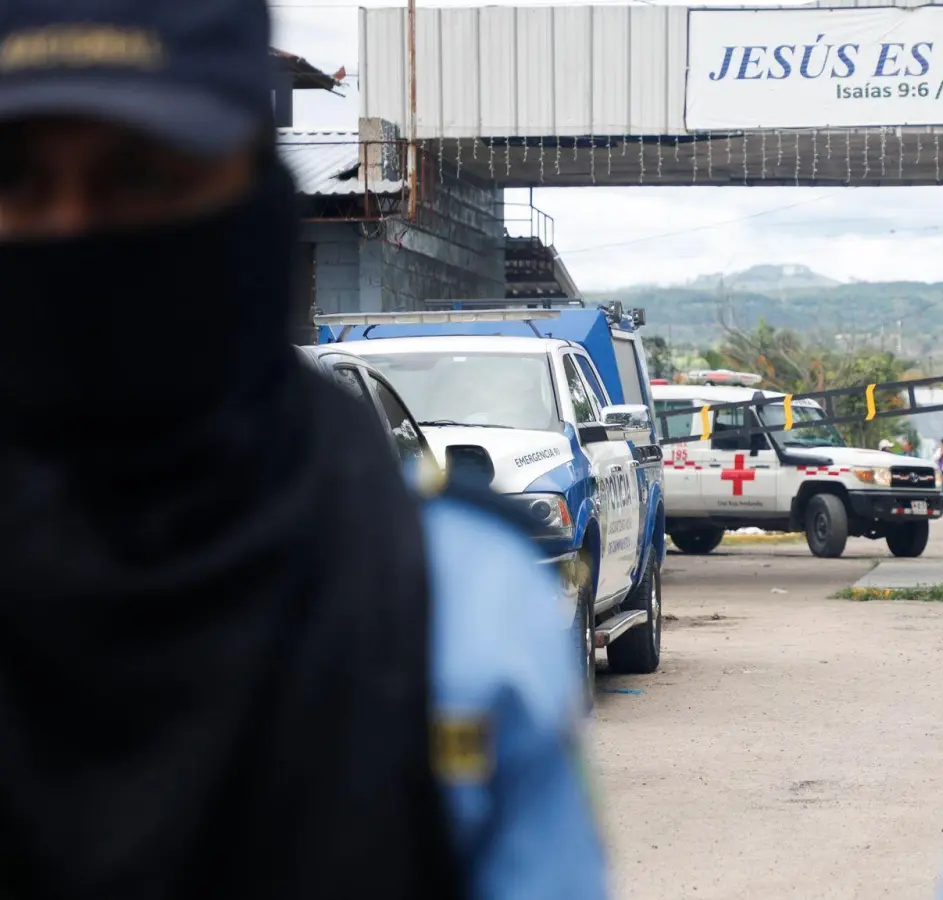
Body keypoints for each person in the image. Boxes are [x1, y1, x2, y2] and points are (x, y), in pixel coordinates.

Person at [0, 2, 608, 898]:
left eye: (138, 172)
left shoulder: (456, 602)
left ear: (248, 199)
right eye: (18, 178)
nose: (75, 228)